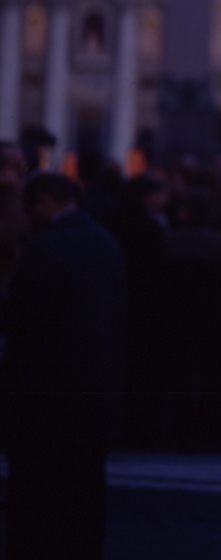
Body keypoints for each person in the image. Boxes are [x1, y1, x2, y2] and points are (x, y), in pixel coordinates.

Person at [0, 172, 126, 560]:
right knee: (83, 504)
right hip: (94, 396)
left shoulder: (48, 246)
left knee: (36, 505)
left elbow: (25, 317)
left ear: (43, 202)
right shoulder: (105, 241)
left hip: (46, 399)